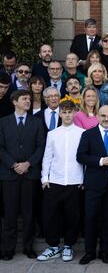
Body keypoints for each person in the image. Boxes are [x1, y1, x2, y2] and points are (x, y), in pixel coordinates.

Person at [0, 90, 45, 260]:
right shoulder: (3, 123)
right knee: (10, 214)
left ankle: (28, 247)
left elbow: (41, 146)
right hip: (9, 175)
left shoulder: (37, 122)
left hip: (30, 173)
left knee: (29, 213)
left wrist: (28, 163)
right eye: (24, 99)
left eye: (29, 99)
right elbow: (1, 148)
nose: (28, 101)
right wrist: (13, 164)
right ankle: (8, 249)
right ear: (14, 101)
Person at [77, 105, 108, 265]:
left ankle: (105, 251)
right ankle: (89, 252)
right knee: (90, 218)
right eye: (103, 115)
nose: (106, 119)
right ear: (97, 116)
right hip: (94, 184)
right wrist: (100, 161)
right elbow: (81, 156)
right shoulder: (88, 134)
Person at [37, 100, 84, 262]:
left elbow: (84, 158)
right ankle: (53, 246)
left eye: (69, 112)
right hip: (54, 181)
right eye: (64, 112)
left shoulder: (81, 133)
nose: (67, 115)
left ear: (75, 113)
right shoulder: (52, 134)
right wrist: (44, 178)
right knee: (51, 216)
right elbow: (47, 157)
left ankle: (69, 246)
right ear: (60, 114)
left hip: (74, 181)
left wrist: (83, 178)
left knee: (73, 216)